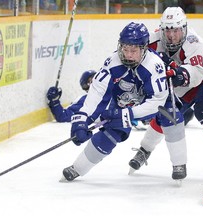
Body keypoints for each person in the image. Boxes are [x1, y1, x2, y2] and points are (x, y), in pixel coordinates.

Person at [61, 22, 169, 182]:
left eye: (133, 50)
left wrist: (127, 114)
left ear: (144, 48)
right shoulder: (112, 62)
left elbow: (157, 102)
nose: (128, 55)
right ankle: (78, 168)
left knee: (171, 117)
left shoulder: (155, 65)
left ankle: (174, 162)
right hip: (119, 101)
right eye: (125, 49)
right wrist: (83, 119)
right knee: (114, 132)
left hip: (147, 105)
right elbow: (97, 90)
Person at [129, 7, 203, 174]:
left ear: (184, 28)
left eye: (175, 30)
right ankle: (144, 151)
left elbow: (197, 75)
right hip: (182, 84)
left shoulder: (194, 42)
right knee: (166, 113)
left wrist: (179, 74)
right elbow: (132, 54)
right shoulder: (153, 41)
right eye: (167, 30)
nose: (171, 35)